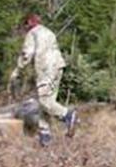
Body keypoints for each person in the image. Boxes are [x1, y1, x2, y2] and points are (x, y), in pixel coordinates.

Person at [9, 14, 78, 146]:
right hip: (58, 67)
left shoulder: (32, 34)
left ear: (29, 22)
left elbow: (26, 54)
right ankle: (45, 134)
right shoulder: (49, 32)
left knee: (44, 101)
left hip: (46, 69)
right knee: (46, 102)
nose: (24, 28)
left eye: (25, 24)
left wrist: (17, 70)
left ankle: (68, 115)